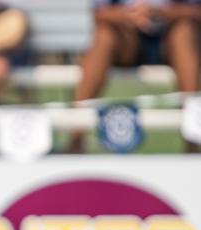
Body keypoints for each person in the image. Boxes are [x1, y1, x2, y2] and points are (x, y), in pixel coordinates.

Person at [71, 0, 201, 153]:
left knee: (184, 33)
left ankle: (193, 141)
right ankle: (76, 138)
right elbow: (99, 13)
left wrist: (162, 13)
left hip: (171, 37)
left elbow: (196, 11)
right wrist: (130, 15)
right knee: (104, 36)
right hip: (127, 37)